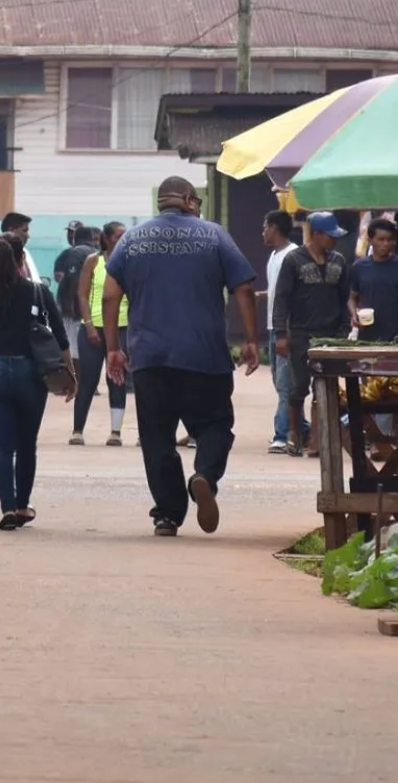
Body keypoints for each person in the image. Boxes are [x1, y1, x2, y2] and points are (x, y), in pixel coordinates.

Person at [102, 177, 259, 537]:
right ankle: (204, 474)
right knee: (215, 425)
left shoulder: (132, 238)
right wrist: (251, 339)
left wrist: (114, 347)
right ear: (188, 199)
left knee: (157, 437)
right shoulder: (214, 235)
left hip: (150, 359)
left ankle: (168, 516)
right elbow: (244, 288)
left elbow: (110, 295)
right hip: (204, 356)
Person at [0, 238, 71, 530]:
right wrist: (70, 376)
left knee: (1, 447)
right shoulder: (37, 292)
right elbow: (60, 338)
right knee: (27, 445)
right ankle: (23, 506)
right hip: (30, 373)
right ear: (21, 258)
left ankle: (8, 508)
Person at [272, 211, 351, 458]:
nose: (334, 241)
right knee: (298, 388)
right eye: (330, 236)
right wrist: (280, 334)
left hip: (332, 334)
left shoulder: (339, 261)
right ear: (316, 234)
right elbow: (281, 298)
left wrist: (345, 328)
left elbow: (345, 297)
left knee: (325, 387)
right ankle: (295, 432)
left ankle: (318, 438)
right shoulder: (294, 260)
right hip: (300, 333)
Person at [72, 221, 128, 446]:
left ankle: (116, 432)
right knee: (87, 379)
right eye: (118, 237)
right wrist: (89, 325)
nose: (122, 241)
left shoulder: (130, 261)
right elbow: (82, 295)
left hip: (122, 326)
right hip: (94, 327)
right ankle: (77, 430)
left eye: (125, 236)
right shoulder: (93, 261)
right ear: (106, 239)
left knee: (118, 378)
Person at [261, 211, 304, 454]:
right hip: (272, 327)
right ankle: (301, 427)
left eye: (264, 226)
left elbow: (291, 297)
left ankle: (282, 434)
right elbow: (278, 291)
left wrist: (283, 332)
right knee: (281, 384)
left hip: (284, 330)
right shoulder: (274, 256)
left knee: (286, 384)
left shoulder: (292, 255)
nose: (262, 232)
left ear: (274, 227)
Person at [347, 217, 398, 343]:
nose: (386, 244)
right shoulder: (359, 267)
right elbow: (352, 298)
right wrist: (354, 314)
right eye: (381, 240)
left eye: (389, 240)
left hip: (395, 337)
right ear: (370, 240)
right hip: (366, 337)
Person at [52, 221, 98, 351]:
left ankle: (75, 371)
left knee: (73, 349)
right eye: (69, 232)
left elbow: (73, 281)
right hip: (92, 310)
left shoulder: (76, 252)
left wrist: (69, 305)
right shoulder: (97, 253)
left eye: (72, 233)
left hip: (75, 311)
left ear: (76, 236)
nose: (69, 235)